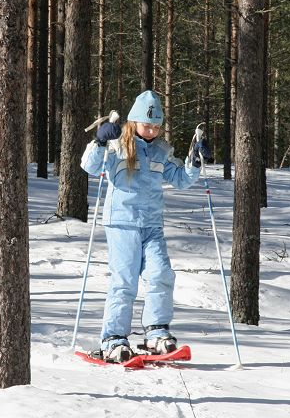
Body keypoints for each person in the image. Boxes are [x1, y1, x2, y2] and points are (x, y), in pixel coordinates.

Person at [81, 90, 212, 363]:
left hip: (152, 225)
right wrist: (99, 141)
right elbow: (90, 167)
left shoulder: (162, 151)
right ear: (134, 122)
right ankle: (113, 338)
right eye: (146, 125)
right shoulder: (118, 146)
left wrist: (194, 160)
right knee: (124, 281)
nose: (151, 130)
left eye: (156, 126)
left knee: (160, 275)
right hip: (122, 222)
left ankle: (156, 332)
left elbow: (181, 179)